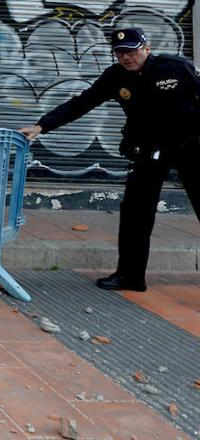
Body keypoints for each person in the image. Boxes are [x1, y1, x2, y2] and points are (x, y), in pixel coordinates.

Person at [20, 27, 200, 292]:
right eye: (120, 52)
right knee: (135, 214)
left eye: (131, 50)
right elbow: (82, 103)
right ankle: (130, 276)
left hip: (190, 147)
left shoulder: (174, 67)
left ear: (146, 48)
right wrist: (42, 126)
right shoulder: (115, 77)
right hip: (149, 150)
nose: (126, 56)